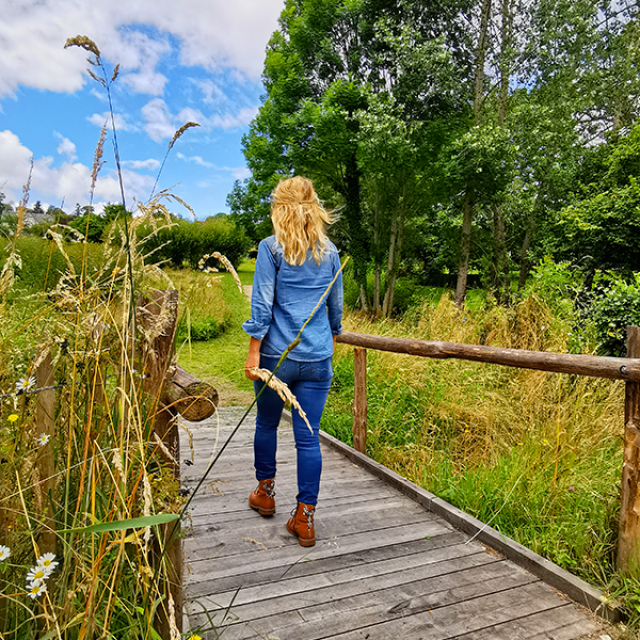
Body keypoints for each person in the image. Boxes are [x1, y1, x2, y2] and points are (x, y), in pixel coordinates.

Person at [242, 176, 343, 547]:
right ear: (315, 206)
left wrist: (253, 352)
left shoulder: (271, 249)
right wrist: (328, 340)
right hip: (318, 358)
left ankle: (265, 493)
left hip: (276, 356)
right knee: (308, 438)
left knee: (267, 423)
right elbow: (335, 310)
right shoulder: (330, 252)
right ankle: (305, 517)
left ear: (278, 207)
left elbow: (261, 304)